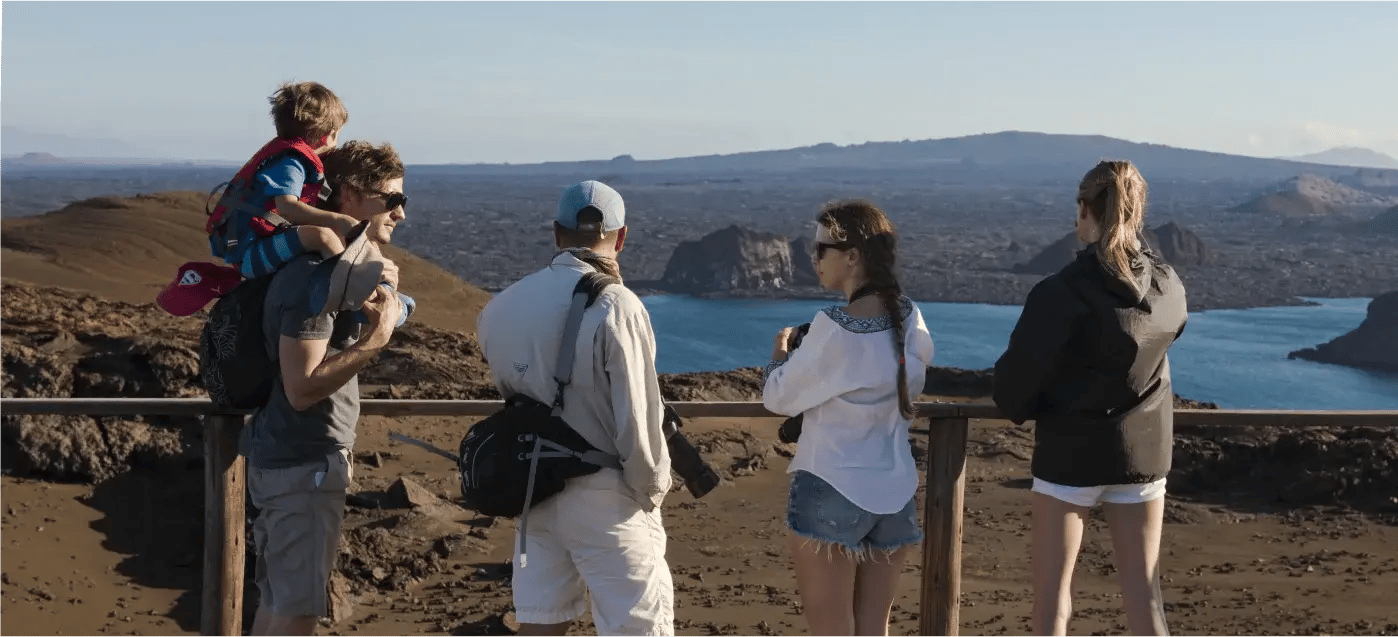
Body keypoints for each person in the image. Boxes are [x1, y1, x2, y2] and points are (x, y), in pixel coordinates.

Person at [993, 159, 1188, 637]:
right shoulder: (1168, 286)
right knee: (1146, 598)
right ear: (1136, 212)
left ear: (1085, 210)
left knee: (1053, 604)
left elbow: (1013, 390)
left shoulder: (1059, 293)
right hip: (1143, 454)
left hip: (1069, 458)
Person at [476, 180, 675, 637]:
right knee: (638, 628)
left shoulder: (500, 308)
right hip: (608, 495)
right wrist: (650, 492)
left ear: (556, 232)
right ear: (621, 237)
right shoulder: (617, 304)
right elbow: (638, 418)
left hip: (533, 493)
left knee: (541, 622)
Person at [243, 140, 408, 637]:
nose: (401, 212)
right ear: (351, 195)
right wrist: (378, 337)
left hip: (291, 461)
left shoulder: (331, 273)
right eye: (392, 199)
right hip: (303, 463)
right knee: (296, 613)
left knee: (279, 603)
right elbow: (302, 387)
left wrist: (391, 298)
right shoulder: (316, 276)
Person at [762, 199, 936, 637]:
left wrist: (780, 354)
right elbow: (909, 381)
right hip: (894, 489)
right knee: (875, 626)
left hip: (830, 484)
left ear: (852, 256)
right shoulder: (909, 318)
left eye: (821, 248)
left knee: (831, 627)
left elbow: (779, 397)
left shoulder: (832, 328)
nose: (814, 257)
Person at [206, 81, 358, 280]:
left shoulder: (287, 157)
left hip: (256, 248)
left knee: (323, 235)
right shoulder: (290, 163)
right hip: (250, 255)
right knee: (322, 237)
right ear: (327, 134)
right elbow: (287, 207)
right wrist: (338, 219)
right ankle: (348, 283)